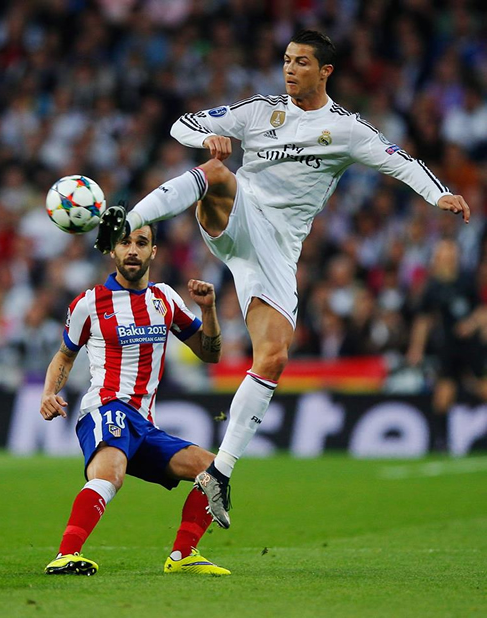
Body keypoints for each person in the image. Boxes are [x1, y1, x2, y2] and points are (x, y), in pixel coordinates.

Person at [94, 30, 471, 529]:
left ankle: (220, 473)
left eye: (301, 62)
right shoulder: (258, 111)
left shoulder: (346, 129)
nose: (290, 70)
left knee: (274, 356)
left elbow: (397, 160)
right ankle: (129, 220)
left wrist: (436, 194)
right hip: (238, 216)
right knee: (220, 172)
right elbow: (180, 125)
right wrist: (207, 137)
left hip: (274, 252)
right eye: (287, 60)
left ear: (325, 71)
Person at [40, 223, 230, 576]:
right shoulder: (90, 302)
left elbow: (210, 354)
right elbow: (65, 355)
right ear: (112, 251)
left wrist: (208, 311)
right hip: (106, 408)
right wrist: (49, 392)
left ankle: (183, 556)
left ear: (153, 251)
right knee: (110, 474)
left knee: (214, 471)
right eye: (124, 243)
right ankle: (66, 554)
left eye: (141, 243)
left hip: (144, 423)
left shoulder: (165, 299)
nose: (132, 250)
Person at [406, 239, 487, 450]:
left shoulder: (466, 280)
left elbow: (481, 310)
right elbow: (423, 320)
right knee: (443, 396)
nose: (446, 259)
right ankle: (441, 442)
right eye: (442, 255)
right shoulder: (432, 287)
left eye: (449, 254)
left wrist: (470, 325)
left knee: (482, 388)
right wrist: (416, 348)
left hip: (471, 345)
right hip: (449, 347)